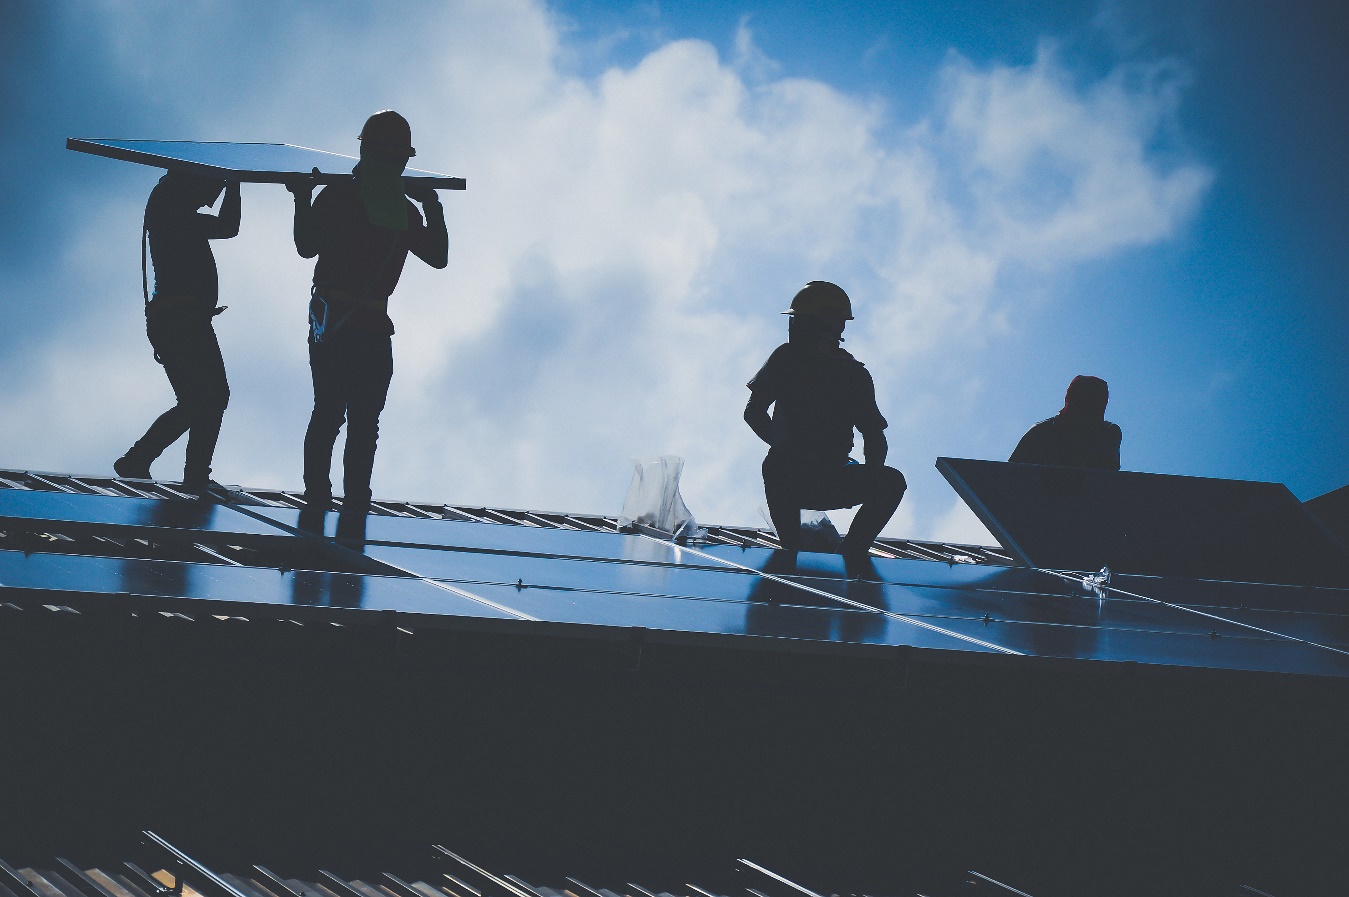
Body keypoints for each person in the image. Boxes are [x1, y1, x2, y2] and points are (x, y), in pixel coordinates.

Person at [286, 110, 448, 519]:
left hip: (334, 328)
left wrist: (302, 197)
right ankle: (356, 500)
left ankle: (318, 500)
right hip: (374, 331)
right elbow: (439, 256)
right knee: (363, 424)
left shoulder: (340, 197)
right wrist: (432, 206)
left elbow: (306, 245)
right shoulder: (403, 211)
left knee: (328, 414)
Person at [744, 281, 907, 574]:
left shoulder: (853, 374)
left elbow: (874, 435)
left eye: (800, 320)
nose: (793, 326)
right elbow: (753, 412)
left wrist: (871, 472)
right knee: (777, 467)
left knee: (891, 482)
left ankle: (851, 554)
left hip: (832, 476)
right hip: (790, 474)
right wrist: (784, 446)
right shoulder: (786, 358)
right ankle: (790, 553)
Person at [114, 172, 240, 490]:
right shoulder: (175, 219)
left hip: (175, 320)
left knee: (198, 400)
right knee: (211, 396)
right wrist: (235, 185)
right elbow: (228, 227)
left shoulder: (169, 217)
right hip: (183, 320)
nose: (207, 200)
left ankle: (140, 458)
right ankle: (192, 473)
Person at [1009, 375, 1122, 470]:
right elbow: (1009, 475)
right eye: (1083, 399)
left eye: (1097, 400)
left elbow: (1108, 477)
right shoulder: (1040, 432)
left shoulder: (1108, 433)